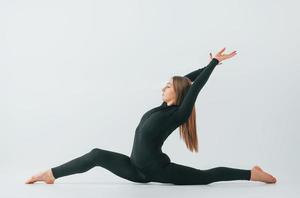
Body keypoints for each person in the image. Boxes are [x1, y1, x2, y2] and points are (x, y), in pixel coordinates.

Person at [25, 48, 277, 185]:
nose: (163, 87)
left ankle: (251, 173)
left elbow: (194, 87)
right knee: (96, 155)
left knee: (206, 176)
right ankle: (51, 174)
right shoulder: (161, 108)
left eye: (168, 85)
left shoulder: (179, 113)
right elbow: (189, 81)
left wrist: (212, 67)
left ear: (176, 93)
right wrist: (211, 63)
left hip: (157, 171)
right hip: (134, 169)